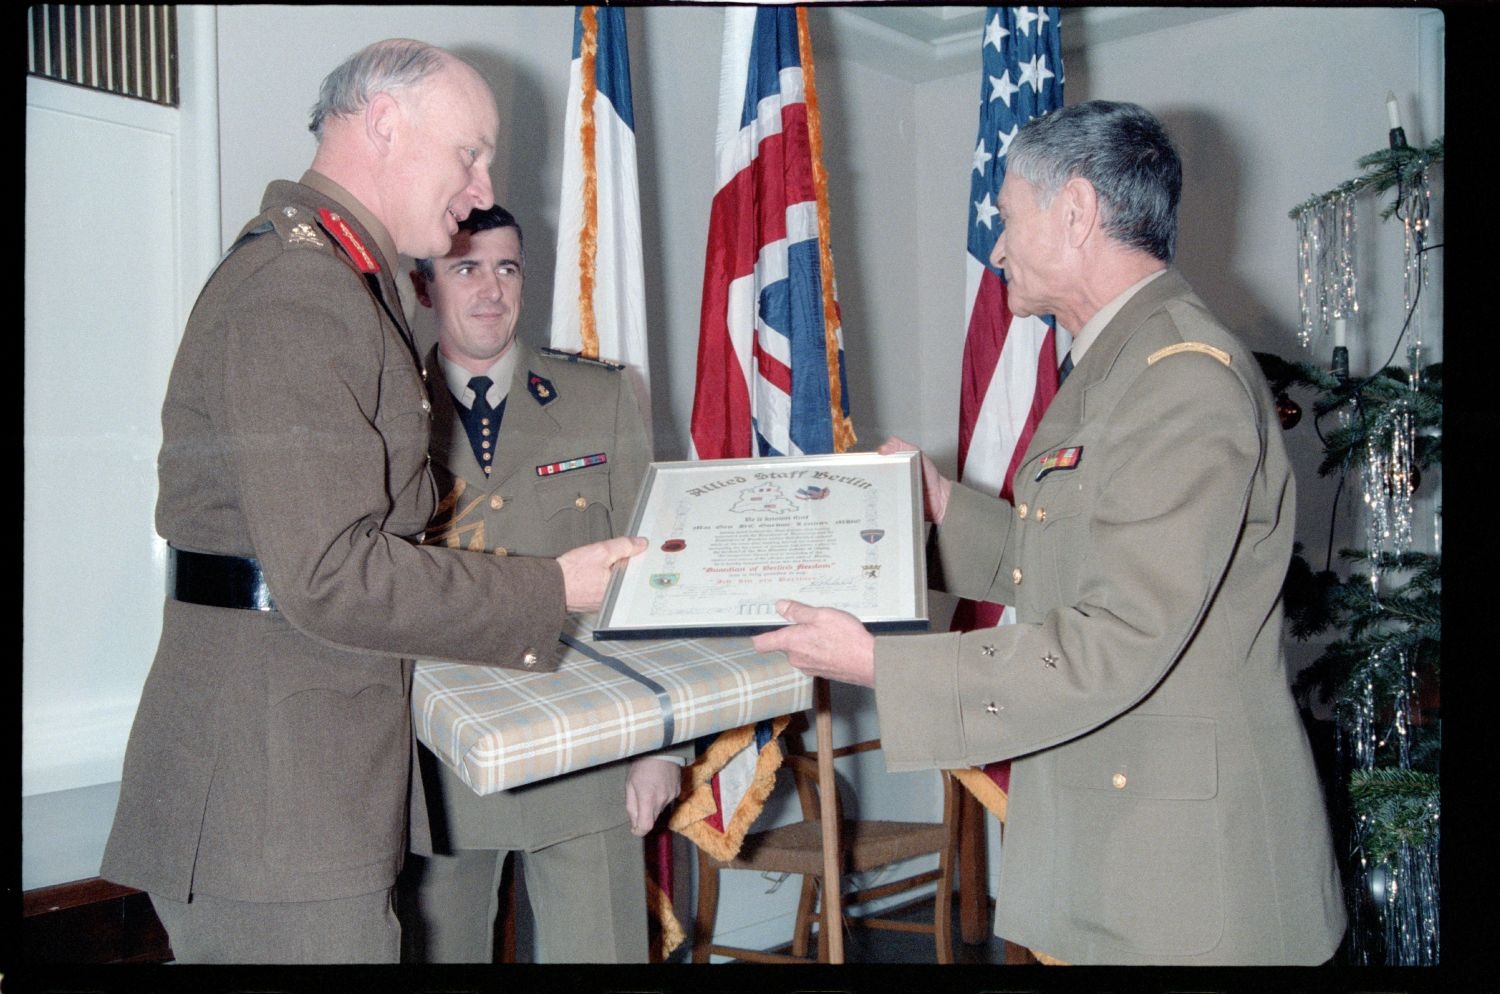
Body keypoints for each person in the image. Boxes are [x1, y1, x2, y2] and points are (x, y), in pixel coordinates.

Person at [753, 100, 1345, 965]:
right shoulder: (1121, 363)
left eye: (1008, 218)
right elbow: (1059, 562)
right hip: (1123, 833)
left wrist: (881, 664)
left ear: (1075, 212)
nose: (996, 248)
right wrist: (943, 506)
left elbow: (1116, 639)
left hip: (1188, 884)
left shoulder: (1180, 379)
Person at [100, 39, 643, 964]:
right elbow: (327, 573)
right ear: (384, 123)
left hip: (294, 784)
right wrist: (552, 590)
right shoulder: (302, 290)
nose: (480, 190)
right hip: (274, 806)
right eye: (469, 153)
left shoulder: (340, 279)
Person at [397, 205, 684, 963]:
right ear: (426, 287)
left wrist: (662, 749)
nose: (491, 289)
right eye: (465, 267)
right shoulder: (385, 406)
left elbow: (649, 580)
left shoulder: (601, 397)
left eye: (507, 267)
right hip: (437, 768)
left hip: (586, 751)